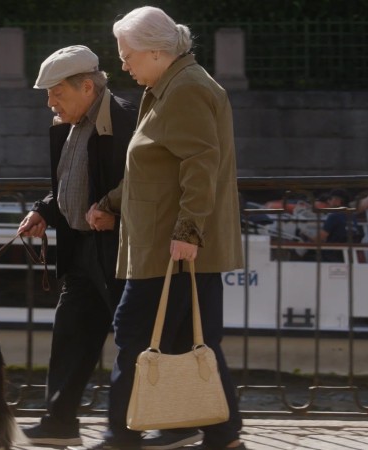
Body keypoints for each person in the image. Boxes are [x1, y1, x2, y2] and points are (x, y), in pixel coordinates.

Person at [81, 6, 246, 450]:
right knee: (194, 341)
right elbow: (157, 167)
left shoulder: (186, 89)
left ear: (156, 52)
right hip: (172, 242)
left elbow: (200, 164)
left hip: (168, 246)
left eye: (128, 54)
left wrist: (188, 232)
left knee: (135, 333)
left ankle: (122, 434)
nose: (123, 64)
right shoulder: (174, 85)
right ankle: (220, 434)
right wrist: (110, 203)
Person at [18, 45, 194, 450]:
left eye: (56, 93)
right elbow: (71, 182)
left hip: (119, 250)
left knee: (142, 340)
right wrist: (45, 209)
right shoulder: (73, 122)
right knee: (71, 335)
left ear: (85, 86)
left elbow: (154, 182)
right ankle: (59, 421)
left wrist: (118, 215)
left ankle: (173, 423)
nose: (51, 103)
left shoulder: (127, 119)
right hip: (82, 248)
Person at [302, 189, 360, 262]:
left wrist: (306, 236)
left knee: (305, 257)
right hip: (348, 256)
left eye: (330, 199)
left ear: (337, 201)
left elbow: (320, 238)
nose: (328, 202)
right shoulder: (352, 217)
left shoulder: (334, 216)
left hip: (331, 255)